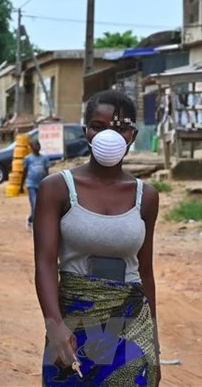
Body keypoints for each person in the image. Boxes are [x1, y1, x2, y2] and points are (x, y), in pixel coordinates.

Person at [34, 90, 161, 386]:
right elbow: (45, 263)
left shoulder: (146, 196)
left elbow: (145, 271)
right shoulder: (57, 189)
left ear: (132, 134)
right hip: (73, 322)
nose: (109, 137)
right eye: (98, 127)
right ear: (85, 132)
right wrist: (55, 325)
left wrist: (153, 340)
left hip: (130, 322)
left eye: (119, 129)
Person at [20, 139, 50, 231]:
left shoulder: (44, 158)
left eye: (38, 144)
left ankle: (30, 219)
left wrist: (48, 185)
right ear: (31, 148)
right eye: (35, 145)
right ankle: (34, 224)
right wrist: (21, 185)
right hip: (31, 184)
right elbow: (24, 172)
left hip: (41, 185)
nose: (37, 146)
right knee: (34, 204)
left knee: (41, 205)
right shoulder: (28, 158)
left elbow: (46, 172)